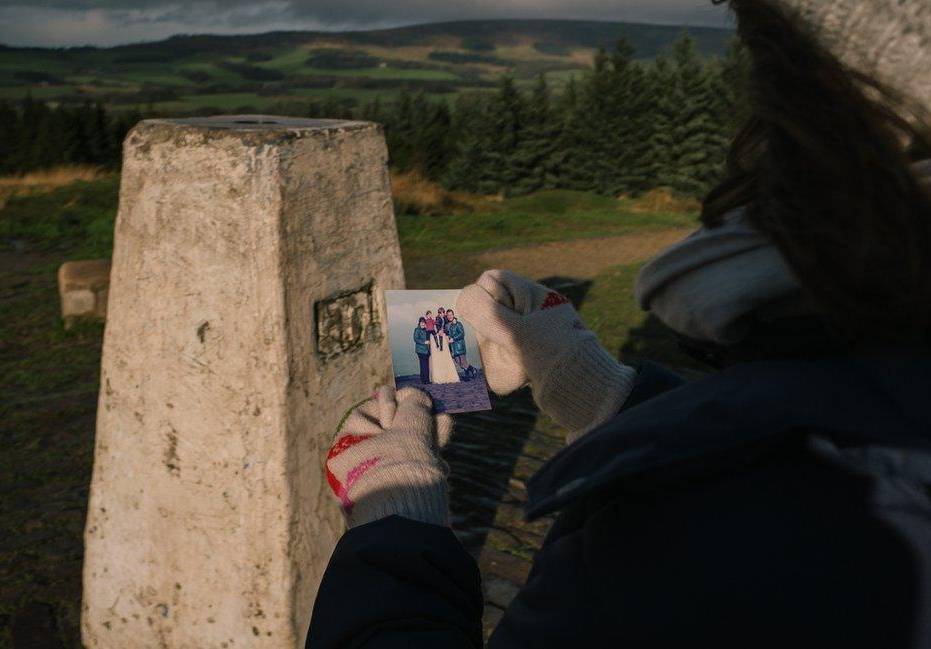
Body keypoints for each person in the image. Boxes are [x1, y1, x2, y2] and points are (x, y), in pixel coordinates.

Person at [310, 1, 931, 647]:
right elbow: (845, 408)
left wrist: (395, 517)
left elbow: (793, 475)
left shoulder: (684, 542)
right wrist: (601, 389)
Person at [446, 309, 476, 380]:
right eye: (448, 315)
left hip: (459, 345)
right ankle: (472, 369)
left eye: (451, 314)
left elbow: (462, 334)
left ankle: (467, 376)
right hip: (453, 347)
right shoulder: (448, 325)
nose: (449, 316)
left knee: (463, 361)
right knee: (457, 361)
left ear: (453, 315)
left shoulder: (458, 324)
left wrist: (454, 339)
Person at [413, 316, 431, 384]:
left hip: (425, 350)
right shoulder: (417, 330)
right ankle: (426, 380)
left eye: (424, 324)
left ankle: (423, 379)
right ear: (419, 323)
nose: (423, 325)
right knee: (424, 365)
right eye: (422, 324)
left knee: (424, 365)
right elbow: (416, 339)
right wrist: (424, 342)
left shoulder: (426, 330)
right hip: (420, 350)